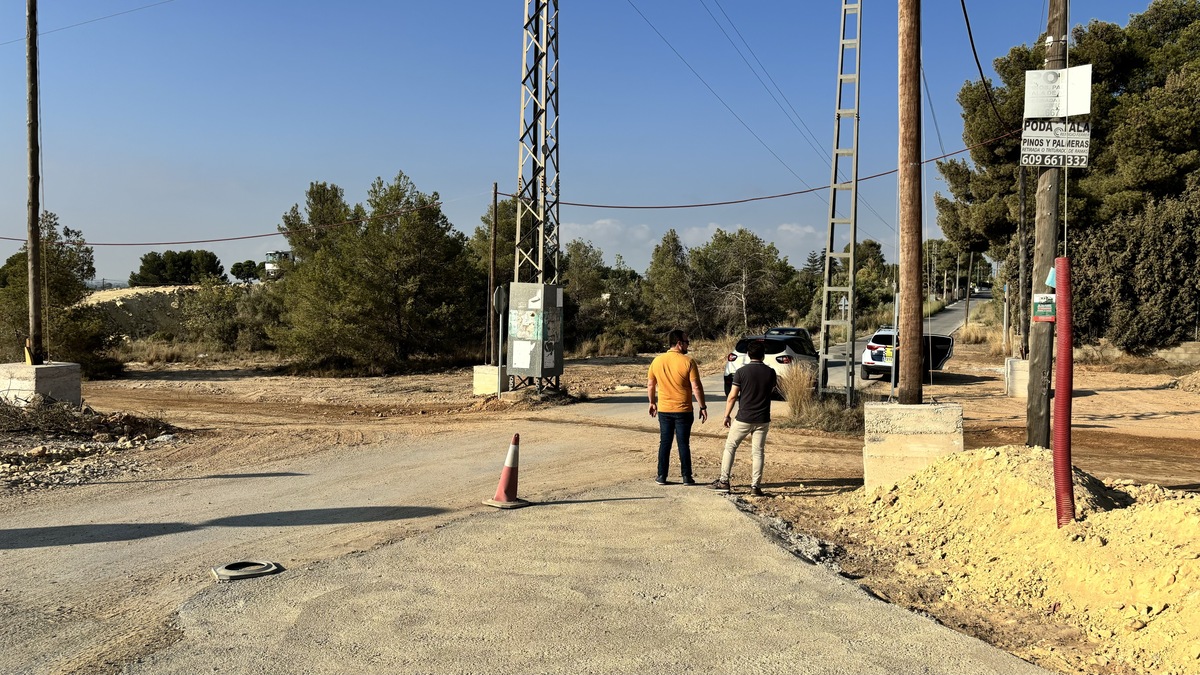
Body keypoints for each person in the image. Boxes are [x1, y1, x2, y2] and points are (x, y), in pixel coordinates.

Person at [710, 340, 776, 497]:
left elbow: (732, 396)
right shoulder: (771, 372)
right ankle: (755, 486)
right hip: (762, 418)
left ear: (748, 354)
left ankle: (724, 481)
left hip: (744, 417)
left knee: (731, 446)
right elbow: (771, 390)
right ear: (763, 355)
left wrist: (727, 415)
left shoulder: (741, 372)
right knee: (758, 452)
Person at [647, 329, 707, 485]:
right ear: (679, 344)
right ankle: (687, 477)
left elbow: (651, 384)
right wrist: (702, 406)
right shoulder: (688, 362)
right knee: (683, 443)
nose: (688, 345)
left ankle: (661, 476)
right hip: (683, 410)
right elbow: (696, 387)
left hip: (664, 409)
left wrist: (652, 402)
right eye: (687, 342)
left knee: (665, 443)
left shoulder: (657, 361)